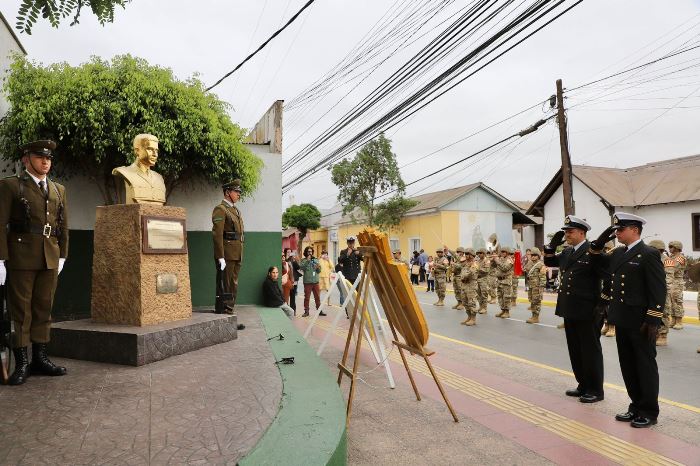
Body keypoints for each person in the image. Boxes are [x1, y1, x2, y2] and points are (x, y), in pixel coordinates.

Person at [0, 139, 69, 385]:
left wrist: (62, 255)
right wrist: (0, 260)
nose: (46, 162)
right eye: (40, 157)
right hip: (20, 257)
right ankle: (22, 363)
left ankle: (40, 359)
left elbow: (62, 226)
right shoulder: (11, 186)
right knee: (21, 311)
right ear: (26, 159)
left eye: (49, 158)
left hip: (49, 255)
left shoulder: (59, 190)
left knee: (43, 308)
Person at [589, 213, 665, 428]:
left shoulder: (648, 253)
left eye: (620, 230)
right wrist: (600, 241)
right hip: (622, 318)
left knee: (644, 366)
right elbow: (596, 261)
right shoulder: (618, 253)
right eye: (616, 230)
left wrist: (653, 319)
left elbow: (658, 289)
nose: (618, 234)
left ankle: (649, 411)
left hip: (641, 321)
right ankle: (635, 406)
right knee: (628, 365)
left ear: (635, 230)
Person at [543, 215, 605, 404]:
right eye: (565, 232)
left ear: (581, 233)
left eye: (570, 232)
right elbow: (551, 262)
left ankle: (595, 389)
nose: (567, 235)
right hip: (570, 308)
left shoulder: (592, 252)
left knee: (590, 350)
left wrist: (603, 304)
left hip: (588, 309)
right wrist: (551, 248)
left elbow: (607, 274)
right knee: (575, 349)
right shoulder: (568, 252)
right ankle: (583, 384)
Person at [212, 179, 245, 315]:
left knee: (233, 283)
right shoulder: (220, 209)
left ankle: (229, 309)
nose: (238, 194)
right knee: (225, 283)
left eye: (239, 192)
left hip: (237, 252)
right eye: (236, 191)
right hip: (227, 254)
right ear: (227, 192)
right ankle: (224, 309)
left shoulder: (235, 210)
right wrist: (220, 256)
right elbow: (217, 234)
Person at [647, 240, 669, 346]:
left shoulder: (667, 261)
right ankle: (655, 334)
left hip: (663, 290)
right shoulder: (649, 258)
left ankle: (663, 335)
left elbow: (669, 277)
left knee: (663, 312)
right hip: (652, 290)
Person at [666, 241, 686, 330]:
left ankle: (679, 321)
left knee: (677, 301)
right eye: (669, 246)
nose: (669, 248)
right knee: (671, 301)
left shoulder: (680, 258)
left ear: (677, 247)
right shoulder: (670, 257)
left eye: (671, 246)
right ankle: (673, 320)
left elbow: (673, 268)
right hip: (671, 281)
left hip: (677, 282)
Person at [300, 246, 324, 317]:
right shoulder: (303, 260)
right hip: (307, 282)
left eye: (311, 251)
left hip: (315, 281)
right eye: (308, 252)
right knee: (307, 297)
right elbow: (302, 268)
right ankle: (306, 311)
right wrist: (307, 261)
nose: (310, 253)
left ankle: (319, 310)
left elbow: (319, 271)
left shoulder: (316, 260)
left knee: (317, 297)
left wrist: (317, 267)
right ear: (306, 252)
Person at [459, 249, 479, 326]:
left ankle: (473, 319)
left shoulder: (475, 264)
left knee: (471, 302)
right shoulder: (466, 263)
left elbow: (470, 273)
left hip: (471, 285)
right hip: (464, 285)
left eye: (468, 254)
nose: (466, 255)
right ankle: (469, 317)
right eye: (466, 254)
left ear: (472, 255)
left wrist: (463, 277)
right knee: (465, 302)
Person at [493, 247, 514, 318]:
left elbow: (505, 268)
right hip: (499, 280)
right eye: (501, 252)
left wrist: (497, 261)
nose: (502, 253)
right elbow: (493, 267)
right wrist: (493, 260)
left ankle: (507, 312)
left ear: (507, 253)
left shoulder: (510, 260)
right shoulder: (500, 259)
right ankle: (502, 310)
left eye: (504, 252)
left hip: (506, 281)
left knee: (506, 297)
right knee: (500, 296)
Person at [448, 246, 465, 310]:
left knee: (460, 290)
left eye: (459, 252)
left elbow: (461, 267)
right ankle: (459, 302)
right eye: (457, 252)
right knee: (456, 290)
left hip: (460, 276)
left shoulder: (463, 259)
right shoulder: (457, 260)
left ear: (463, 252)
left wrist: (454, 264)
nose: (458, 253)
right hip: (455, 276)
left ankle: (462, 303)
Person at [475, 249, 490, 314]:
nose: (479, 254)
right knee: (478, 294)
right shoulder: (477, 261)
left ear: (484, 253)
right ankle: (481, 306)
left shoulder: (487, 261)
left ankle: (484, 308)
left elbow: (486, 270)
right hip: (477, 279)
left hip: (484, 279)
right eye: (478, 253)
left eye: (481, 253)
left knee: (484, 294)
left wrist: (478, 268)